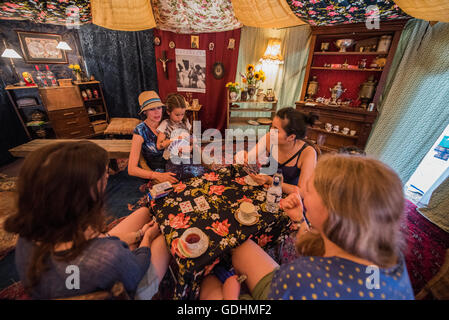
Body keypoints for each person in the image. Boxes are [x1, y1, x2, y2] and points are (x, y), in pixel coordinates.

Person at [200, 154, 414, 300]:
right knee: (241, 247)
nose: (301, 194)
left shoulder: (301, 277)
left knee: (209, 284)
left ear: (330, 211)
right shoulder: (390, 258)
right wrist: (301, 220)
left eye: (309, 191)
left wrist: (232, 296)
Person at [4, 141, 171, 299]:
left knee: (143, 213)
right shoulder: (108, 255)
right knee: (166, 232)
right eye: (104, 177)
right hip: (128, 285)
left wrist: (138, 234)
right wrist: (147, 239)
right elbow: (136, 270)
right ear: (83, 196)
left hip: (76, 274)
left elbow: (94, 247)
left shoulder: (28, 234)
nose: (107, 178)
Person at [236, 107, 318, 196]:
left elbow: (302, 192)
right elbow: (250, 157)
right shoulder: (269, 138)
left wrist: (269, 180)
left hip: (289, 199)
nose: (271, 131)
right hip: (266, 190)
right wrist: (243, 156)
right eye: (272, 126)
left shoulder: (307, 153)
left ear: (291, 137)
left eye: (276, 130)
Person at [128, 90, 178, 184]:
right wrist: (157, 176)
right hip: (157, 172)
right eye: (151, 109)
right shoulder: (140, 131)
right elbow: (131, 169)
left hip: (175, 164)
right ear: (145, 112)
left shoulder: (166, 123)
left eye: (159, 108)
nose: (157, 112)